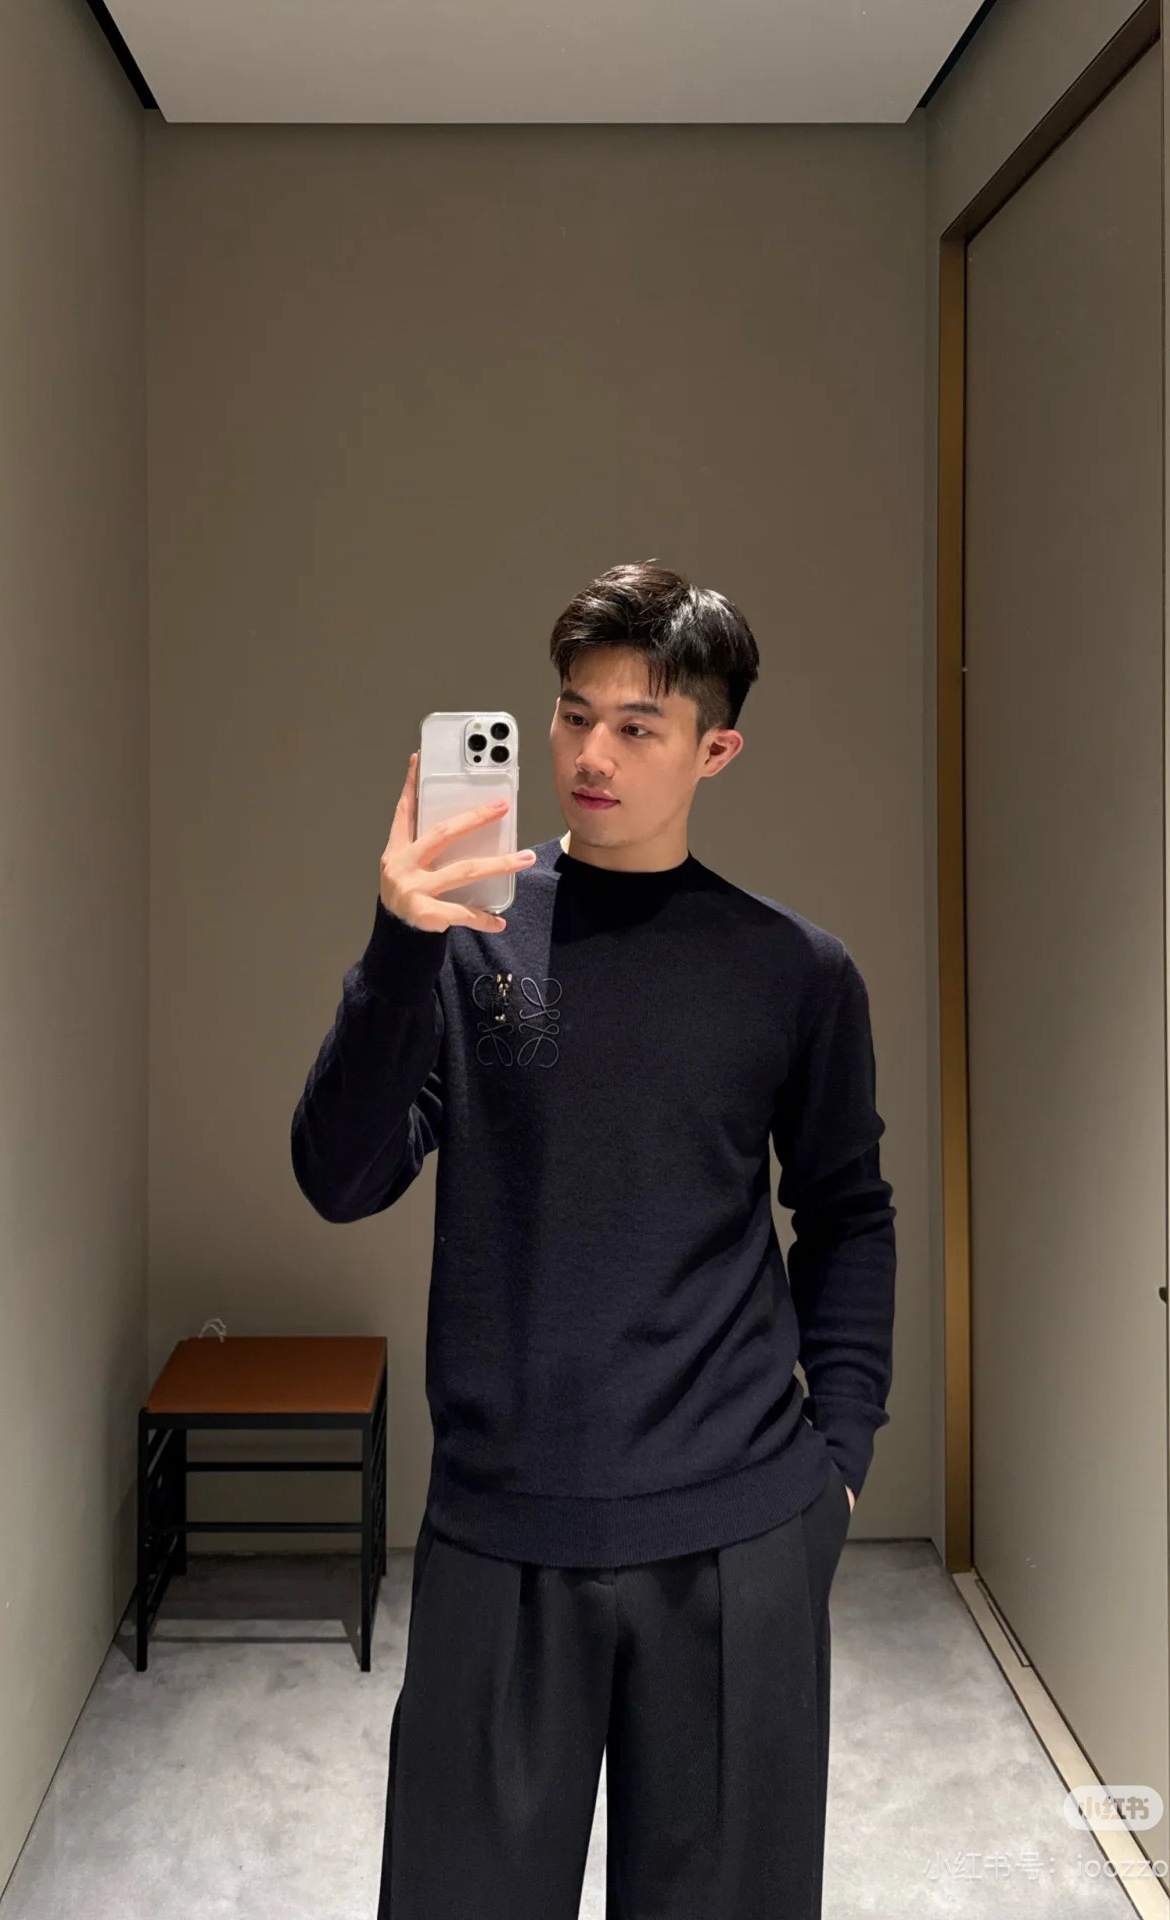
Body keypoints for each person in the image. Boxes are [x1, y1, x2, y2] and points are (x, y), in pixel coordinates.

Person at [289, 558, 896, 1919]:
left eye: (637, 725)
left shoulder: (794, 972)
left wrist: (841, 1463)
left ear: (714, 750)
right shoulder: (468, 941)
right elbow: (339, 1177)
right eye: (573, 715)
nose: (590, 755)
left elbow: (848, 1212)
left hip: (739, 1533)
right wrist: (398, 945)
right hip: (499, 1530)